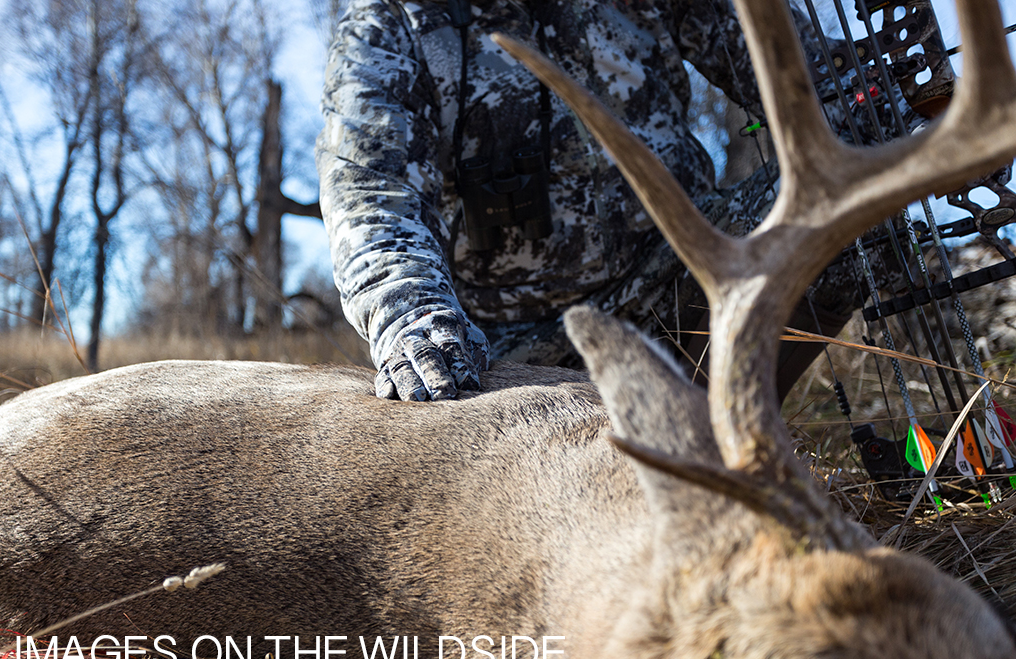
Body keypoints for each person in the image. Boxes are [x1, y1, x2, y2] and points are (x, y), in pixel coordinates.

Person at [316, 0, 855, 401]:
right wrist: (415, 318)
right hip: (520, 354)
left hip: (690, 279)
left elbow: (809, 78)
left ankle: (741, 426)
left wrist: (875, 96)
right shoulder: (388, 24)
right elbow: (372, 195)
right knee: (436, 376)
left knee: (856, 181)